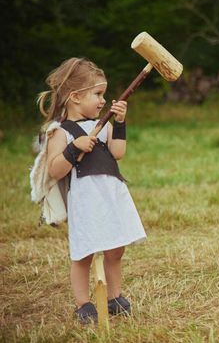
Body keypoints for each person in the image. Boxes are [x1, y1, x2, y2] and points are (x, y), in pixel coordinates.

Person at [36, 57, 147, 323]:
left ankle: (114, 297)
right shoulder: (60, 132)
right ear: (75, 97)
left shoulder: (105, 124)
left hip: (111, 193)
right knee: (84, 252)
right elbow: (55, 169)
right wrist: (75, 148)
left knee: (116, 248)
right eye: (97, 94)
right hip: (86, 198)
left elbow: (118, 153)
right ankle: (83, 303)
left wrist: (119, 123)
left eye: (104, 95)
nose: (102, 101)